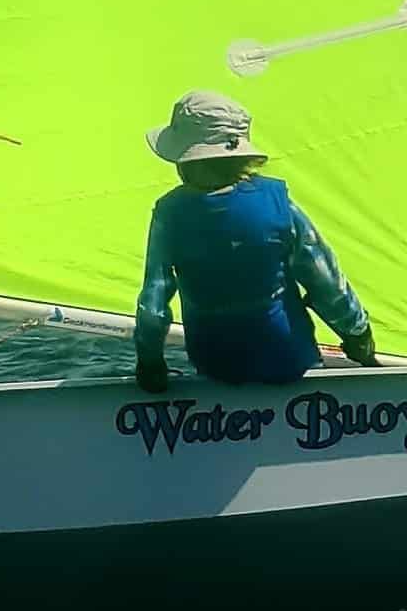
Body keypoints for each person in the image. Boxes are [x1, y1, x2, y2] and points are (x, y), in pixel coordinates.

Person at [133, 90, 377, 393]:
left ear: (186, 160)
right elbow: (325, 280)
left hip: (216, 364)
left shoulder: (168, 214)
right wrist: (357, 334)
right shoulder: (279, 205)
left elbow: (153, 303)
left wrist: (150, 361)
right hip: (288, 359)